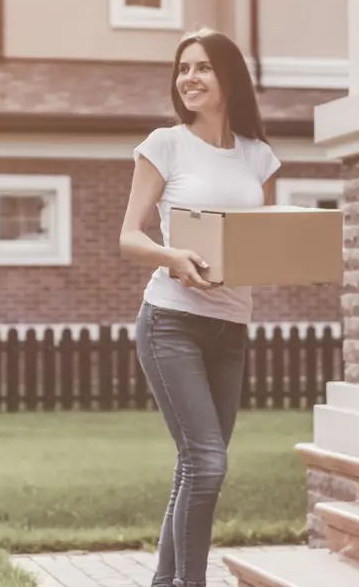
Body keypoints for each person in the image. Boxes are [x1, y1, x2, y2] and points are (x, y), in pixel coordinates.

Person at [117, 29, 280, 587]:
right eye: (183, 67)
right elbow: (130, 237)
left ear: (229, 77)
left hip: (231, 328)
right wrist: (173, 257)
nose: (189, 77)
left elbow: (264, 242)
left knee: (197, 468)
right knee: (207, 464)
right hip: (171, 323)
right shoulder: (165, 144)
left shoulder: (260, 158)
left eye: (203, 67)